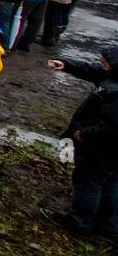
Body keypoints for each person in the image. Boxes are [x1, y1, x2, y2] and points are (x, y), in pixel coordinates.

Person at [44, 47, 118, 241]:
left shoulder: (115, 92)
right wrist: (67, 64)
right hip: (108, 150)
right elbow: (91, 70)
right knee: (110, 183)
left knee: (89, 182)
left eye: (107, 60)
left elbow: (111, 126)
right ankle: (108, 224)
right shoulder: (110, 77)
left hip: (102, 147)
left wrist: (84, 134)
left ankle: (80, 221)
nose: (102, 61)